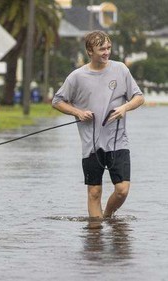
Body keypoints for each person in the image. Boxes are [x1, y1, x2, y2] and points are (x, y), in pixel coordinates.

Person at [52, 30, 144, 219]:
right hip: (91, 145)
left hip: (118, 141)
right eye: (102, 49)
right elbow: (57, 101)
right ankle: (95, 239)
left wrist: (125, 108)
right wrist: (78, 112)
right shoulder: (76, 77)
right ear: (89, 51)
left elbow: (139, 97)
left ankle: (108, 215)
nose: (106, 52)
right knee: (94, 193)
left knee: (122, 190)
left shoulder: (121, 70)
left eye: (109, 48)